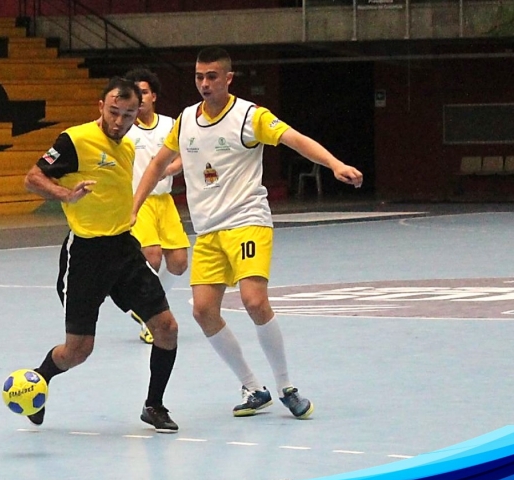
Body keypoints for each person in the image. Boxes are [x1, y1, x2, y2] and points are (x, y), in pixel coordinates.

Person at [133, 47, 363, 419]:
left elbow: (295, 139)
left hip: (247, 221)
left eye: (211, 77)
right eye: (198, 77)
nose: (204, 83)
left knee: (254, 301)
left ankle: (287, 386)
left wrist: (335, 164)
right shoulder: (185, 120)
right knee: (203, 311)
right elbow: (158, 165)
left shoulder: (250, 116)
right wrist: (133, 206)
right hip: (208, 230)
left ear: (228, 78)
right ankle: (254, 387)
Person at [23, 76, 180, 433]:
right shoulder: (75, 140)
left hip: (124, 248)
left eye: (128, 114)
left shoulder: (129, 144)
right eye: (114, 112)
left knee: (167, 328)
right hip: (86, 255)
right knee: (78, 351)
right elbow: (32, 178)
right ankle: (41, 379)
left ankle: (154, 405)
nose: (119, 121)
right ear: (100, 107)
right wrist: (65, 195)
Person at [123, 68, 190, 345]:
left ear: (154, 96)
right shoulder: (124, 128)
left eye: (145, 93)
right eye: (135, 94)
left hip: (165, 200)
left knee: (178, 263)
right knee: (151, 256)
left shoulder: (170, 125)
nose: (140, 99)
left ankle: (145, 306)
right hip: (138, 200)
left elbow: (185, 156)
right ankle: (152, 314)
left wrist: (168, 169)